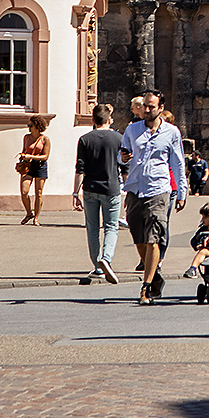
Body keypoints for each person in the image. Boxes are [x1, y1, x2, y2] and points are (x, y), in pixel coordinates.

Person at [121, 91, 187, 305]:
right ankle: (155, 274)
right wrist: (122, 157)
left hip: (159, 189)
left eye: (151, 106)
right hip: (135, 188)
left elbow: (177, 163)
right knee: (138, 237)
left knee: (153, 237)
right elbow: (123, 155)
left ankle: (146, 287)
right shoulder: (132, 129)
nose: (146, 110)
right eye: (144, 106)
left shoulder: (172, 132)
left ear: (161, 107)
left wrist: (182, 192)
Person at [72, 102, 122, 285]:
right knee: (111, 226)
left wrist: (75, 192)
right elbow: (124, 166)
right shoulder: (118, 138)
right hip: (112, 188)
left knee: (92, 228)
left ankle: (98, 266)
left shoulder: (85, 139)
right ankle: (106, 258)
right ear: (110, 119)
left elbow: (80, 169)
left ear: (93, 120)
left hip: (90, 188)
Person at [16, 114, 51, 226]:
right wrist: (23, 156)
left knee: (38, 192)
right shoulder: (26, 137)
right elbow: (24, 150)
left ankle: (36, 217)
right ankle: (28, 213)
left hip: (40, 165)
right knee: (24, 191)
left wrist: (31, 157)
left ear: (37, 126)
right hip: (27, 166)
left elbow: (45, 156)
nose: (29, 127)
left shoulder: (45, 139)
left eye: (30, 125)